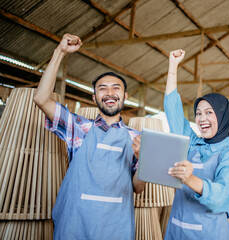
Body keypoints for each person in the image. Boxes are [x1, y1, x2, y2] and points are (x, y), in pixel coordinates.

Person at [33, 33, 145, 240]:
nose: (109, 92)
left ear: (125, 97)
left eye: (116, 88)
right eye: (103, 89)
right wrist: (60, 52)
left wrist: (144, 159)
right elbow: (40, 99)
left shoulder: (138, 138)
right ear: (94, 98)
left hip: (116, 228)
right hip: (75, 223)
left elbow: (138, 187)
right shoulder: (78, 127)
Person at [163, 49, 229, 239]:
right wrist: (173, 67)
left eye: (209, 112)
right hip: (176, 231)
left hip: (210, 234)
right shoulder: (192, 144)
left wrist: (189, 178)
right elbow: (173, 110)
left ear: (222, 117)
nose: (201, 118)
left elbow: (223, 198)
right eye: (198, 113)